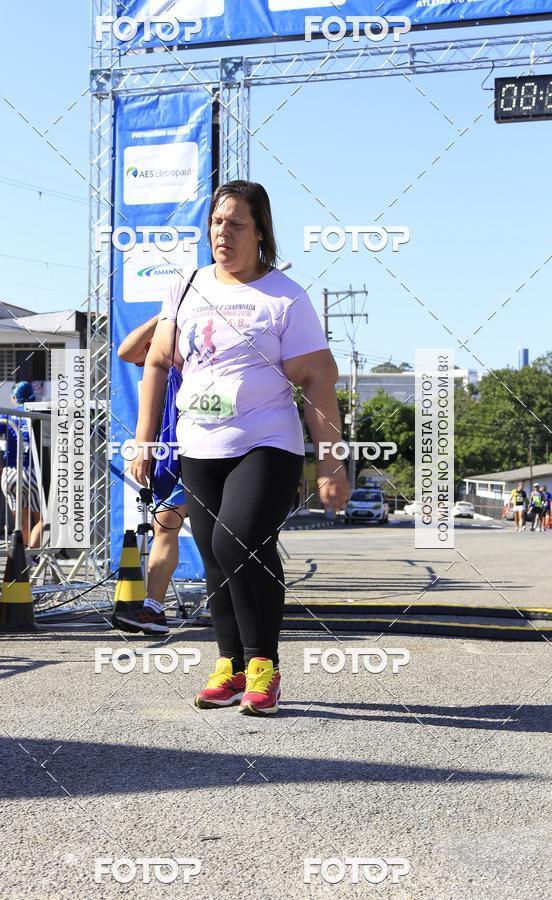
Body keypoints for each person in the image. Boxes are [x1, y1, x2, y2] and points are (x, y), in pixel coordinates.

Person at [130, 180, 349, 716]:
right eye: (216, 223)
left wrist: (330, 461)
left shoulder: (283, 297)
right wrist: (146, 441)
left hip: (267, 444)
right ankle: (229, 665)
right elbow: (156, 361)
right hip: (199, 445)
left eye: (236, 224)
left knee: (240, 543)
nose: (222, 233)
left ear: (260, 232)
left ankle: (263, 667)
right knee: (212, 555)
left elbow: (318, 378)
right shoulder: (187, 286)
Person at [115, 313, 188, 635]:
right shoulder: (168, 341)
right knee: (165, 525)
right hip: (173, 451)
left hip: (223, 446)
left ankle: (241, 607)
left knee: (228, 533)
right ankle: (154, 608)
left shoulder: (221, 337)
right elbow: (127, 352)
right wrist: (164, 315)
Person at [0, 381, 41, 548]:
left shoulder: (6, 414)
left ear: (14, 398)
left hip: (10, 473)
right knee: (43, 520)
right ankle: (32, 557)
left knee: (21, 524)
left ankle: (22, 562)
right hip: (32, 472)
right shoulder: (36, 412)